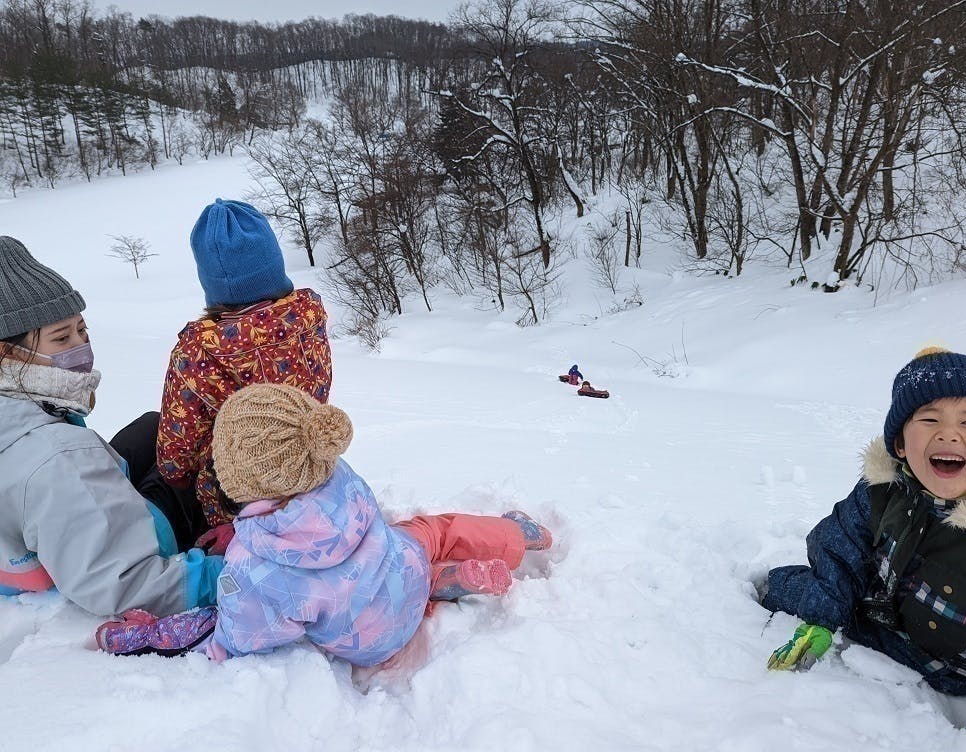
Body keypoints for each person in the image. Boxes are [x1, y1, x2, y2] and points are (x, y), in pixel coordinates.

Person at [96, 383, 552, 665]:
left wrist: (145, 634)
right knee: (434, 531)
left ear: (239, 478)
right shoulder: (338, 476)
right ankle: (515, 535)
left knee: (369, 581)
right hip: (398, 572)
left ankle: (445, 581)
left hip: (371, 639)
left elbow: (229, 640)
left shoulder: (253, 571)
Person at [761, 348, 966, 746]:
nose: (948, 433)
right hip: (888, 630)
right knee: (782, 584)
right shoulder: (883, 490)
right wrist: (821, 619)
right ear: (901, 444)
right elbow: (840, 549)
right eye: (929, 419)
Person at [0, 236, 221, 615]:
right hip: (127, 551)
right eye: (61, 337)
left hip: (47, 517)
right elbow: (127, 583)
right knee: (208, 459)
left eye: (82, 331)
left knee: (155, 427)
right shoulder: (61, 459)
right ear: (7, 353)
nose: (81, 346)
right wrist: (240, 574)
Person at [156, 199, 333, 533]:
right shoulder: (308, 320)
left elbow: (175, 461)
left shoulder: (197, 353)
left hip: (237, 504)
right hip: (312, 475)